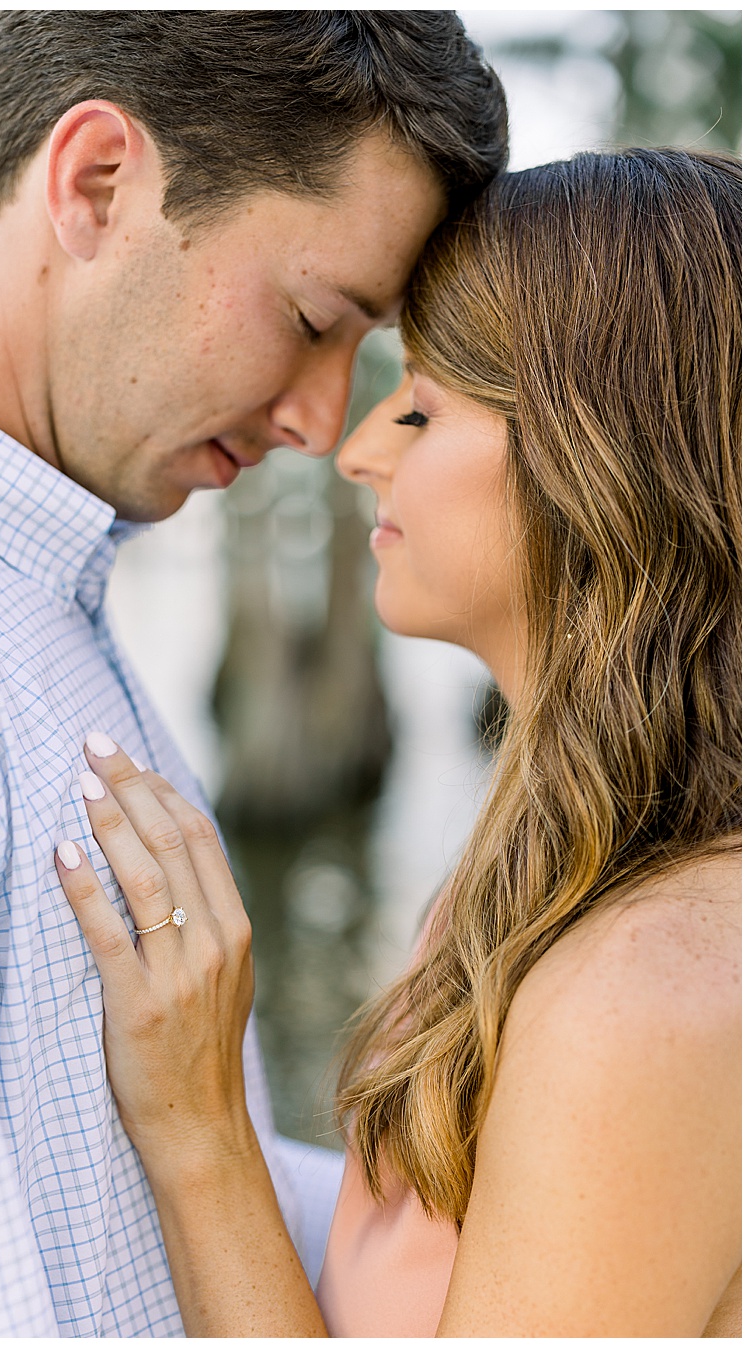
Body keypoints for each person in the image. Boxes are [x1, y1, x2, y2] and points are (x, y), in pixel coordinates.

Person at [0, 11, 507, 1336]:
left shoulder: (43, 604)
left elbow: (94, 1223)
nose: (323, 423)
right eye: (314, 319)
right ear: (98, 182)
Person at [56, 148, 740, 1335]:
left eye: (421, 405)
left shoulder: (643, 991)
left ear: (598, 459)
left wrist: (201, 1128)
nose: (360, 447)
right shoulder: (538, 886)